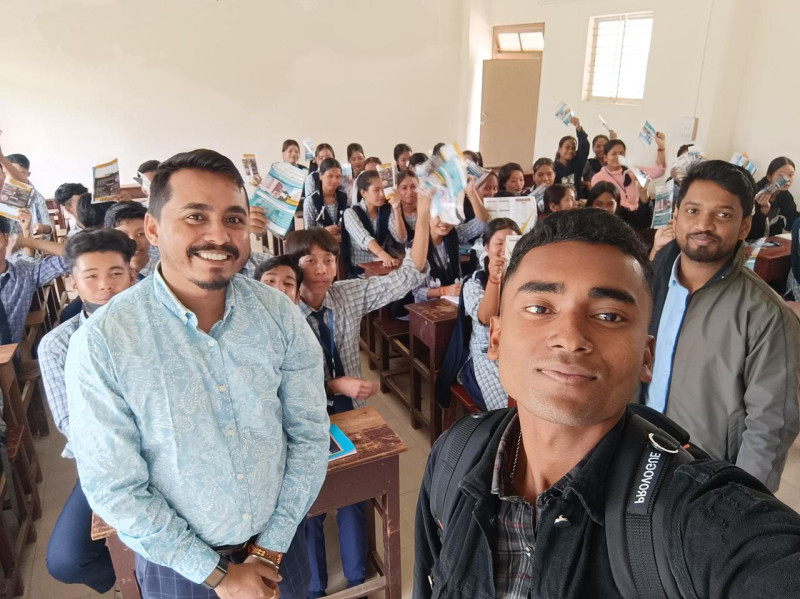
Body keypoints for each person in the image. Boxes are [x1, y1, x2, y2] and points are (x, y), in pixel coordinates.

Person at [414, 208, 800, 598]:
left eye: (609, 316)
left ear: (646, 355)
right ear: (495, 338)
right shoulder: (454, 455)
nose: (570, 338)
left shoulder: (696, 517)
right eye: (539, 308)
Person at [65, 149, 329, 599]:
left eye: (233, 219)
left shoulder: (279, 315)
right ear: (152, 229)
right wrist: (218, 575)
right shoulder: (104, 342)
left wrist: (269, 550)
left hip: (279, 549)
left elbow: (308, 434)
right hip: (181, 567)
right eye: (195, 217)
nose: (218, 236)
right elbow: (116, 487)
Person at [285, 194, 431, 598]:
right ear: (293, 265)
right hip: (301, 420)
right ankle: (314, 587)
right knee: (309, 506)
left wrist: (424, 212)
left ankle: (357, 579)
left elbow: (409, 274)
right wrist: (334, 385)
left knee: (355, 495)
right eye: (310, 260)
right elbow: (276, 387)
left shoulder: (346, 294)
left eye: (329, 259)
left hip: (351, 414)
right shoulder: (280, 311)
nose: (322, 268)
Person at [647, 160, 800, 491]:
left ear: (745, 226)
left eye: (723, 215)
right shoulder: (646, 285)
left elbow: (771, 426)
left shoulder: (767, 315)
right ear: (676, 216)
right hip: (636, 458)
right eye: (693, 211)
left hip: (703, 480)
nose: (704, 224)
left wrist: (739, 501)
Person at [40, 229, 137, 594]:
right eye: (91, 276)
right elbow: (71, 424)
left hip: (173, 449)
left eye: (115, 273)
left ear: (131, 275)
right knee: (66, 560)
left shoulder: (162, 324)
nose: (105, 285)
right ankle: (129, 575)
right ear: (73, 282)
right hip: (107, 462)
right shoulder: (57, 345)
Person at [462, 218, 520, 410]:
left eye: (511, 243)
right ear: (486, 247)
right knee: (507, 408)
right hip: (486, 354)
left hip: (517, 349)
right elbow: (486, 318)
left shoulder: (523, 280)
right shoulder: (474, 282)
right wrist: (494, 280)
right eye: (499, 243)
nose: (504, 249)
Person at [413, 180, 490, 302]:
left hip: (454, 302)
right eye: (439, 215)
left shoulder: (454, 234)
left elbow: (482, 224)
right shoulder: (416, 247)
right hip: (428, 307)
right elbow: (417, 292)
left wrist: (471, 192)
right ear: (427, 216)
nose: (444, 222)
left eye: (449, 216)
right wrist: (444, 291)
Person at [0, 214, 66, 345]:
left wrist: (27, 241)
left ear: (6, 239)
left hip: (10, 356)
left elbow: (79, 253)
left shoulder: (24, 275)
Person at [342, 170, 405, 274]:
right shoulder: (350, 213)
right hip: (361, 272)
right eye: (376, 190)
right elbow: (365, 239)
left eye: (383, 189)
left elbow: (401, 238)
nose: (382, 194)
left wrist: (397, 209)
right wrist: (385, 256)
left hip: (383, 267)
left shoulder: (386, 210)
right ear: (363, 193)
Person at [592, 138, 663, 229]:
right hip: (615, 221)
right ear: (605, 157)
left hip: (636, 218)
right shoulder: (598, 177)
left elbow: (658, 171)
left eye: (621, 154)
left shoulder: (630, 171)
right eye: (614, 154)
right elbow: (610, 202)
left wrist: (661, 147)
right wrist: (633, 207)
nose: (618, 157)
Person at [0, 149, 53, 236]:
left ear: (28, 174)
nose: (12, 178)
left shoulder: (34, 196)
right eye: (7, 173)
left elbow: (48, 228)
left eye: (19, 174)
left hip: (27, 242)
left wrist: (42, 228)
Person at [104, 202, 157, 279]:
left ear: (151, 232)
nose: (134, 242)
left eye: (140, 234)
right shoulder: (105, 276)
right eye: (124, 235)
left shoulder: (164, 272)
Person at [748, 156, 797, 239]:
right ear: (769, 177)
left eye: (790, 175)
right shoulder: (753, 193)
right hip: (750, 242)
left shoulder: (786, 197)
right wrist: (763, 212)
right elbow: (749, 233)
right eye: (781, 175)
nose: (787, 179)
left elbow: (793, 221)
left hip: (773, 243)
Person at [303, 157, 347, 239]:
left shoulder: (344, 198)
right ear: (321, 176)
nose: (334, 180)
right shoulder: (311, 200)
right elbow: (308, 231)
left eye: (338, 177)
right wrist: (323, 231)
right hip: (319, 242)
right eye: (330, 176)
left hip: (341, 243)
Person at [553, 115, 589, 193]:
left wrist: (578, 127)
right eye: (567, 147)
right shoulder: (552, 168)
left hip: (577, 199)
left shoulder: (577, 164)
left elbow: (584, 148)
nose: (570, 151)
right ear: (559, 149)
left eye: (573, 148)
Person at [391, 169, 419, 245]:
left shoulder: (426, 207)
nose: (410, 192)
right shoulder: (392, 211)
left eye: (413, 187)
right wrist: (396, 210)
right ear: (397, 190)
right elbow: (402, 238)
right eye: (404, 188)